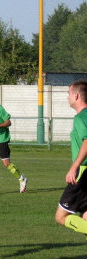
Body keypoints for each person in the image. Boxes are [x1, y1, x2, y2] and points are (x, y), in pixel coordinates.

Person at [55, 80, 87, 238]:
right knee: (86, 215)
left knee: (61, 216)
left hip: (83, 171)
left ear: (76, 95)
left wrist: (75, 166)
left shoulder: (81, 118)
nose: (67, 97)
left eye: (68, 93)